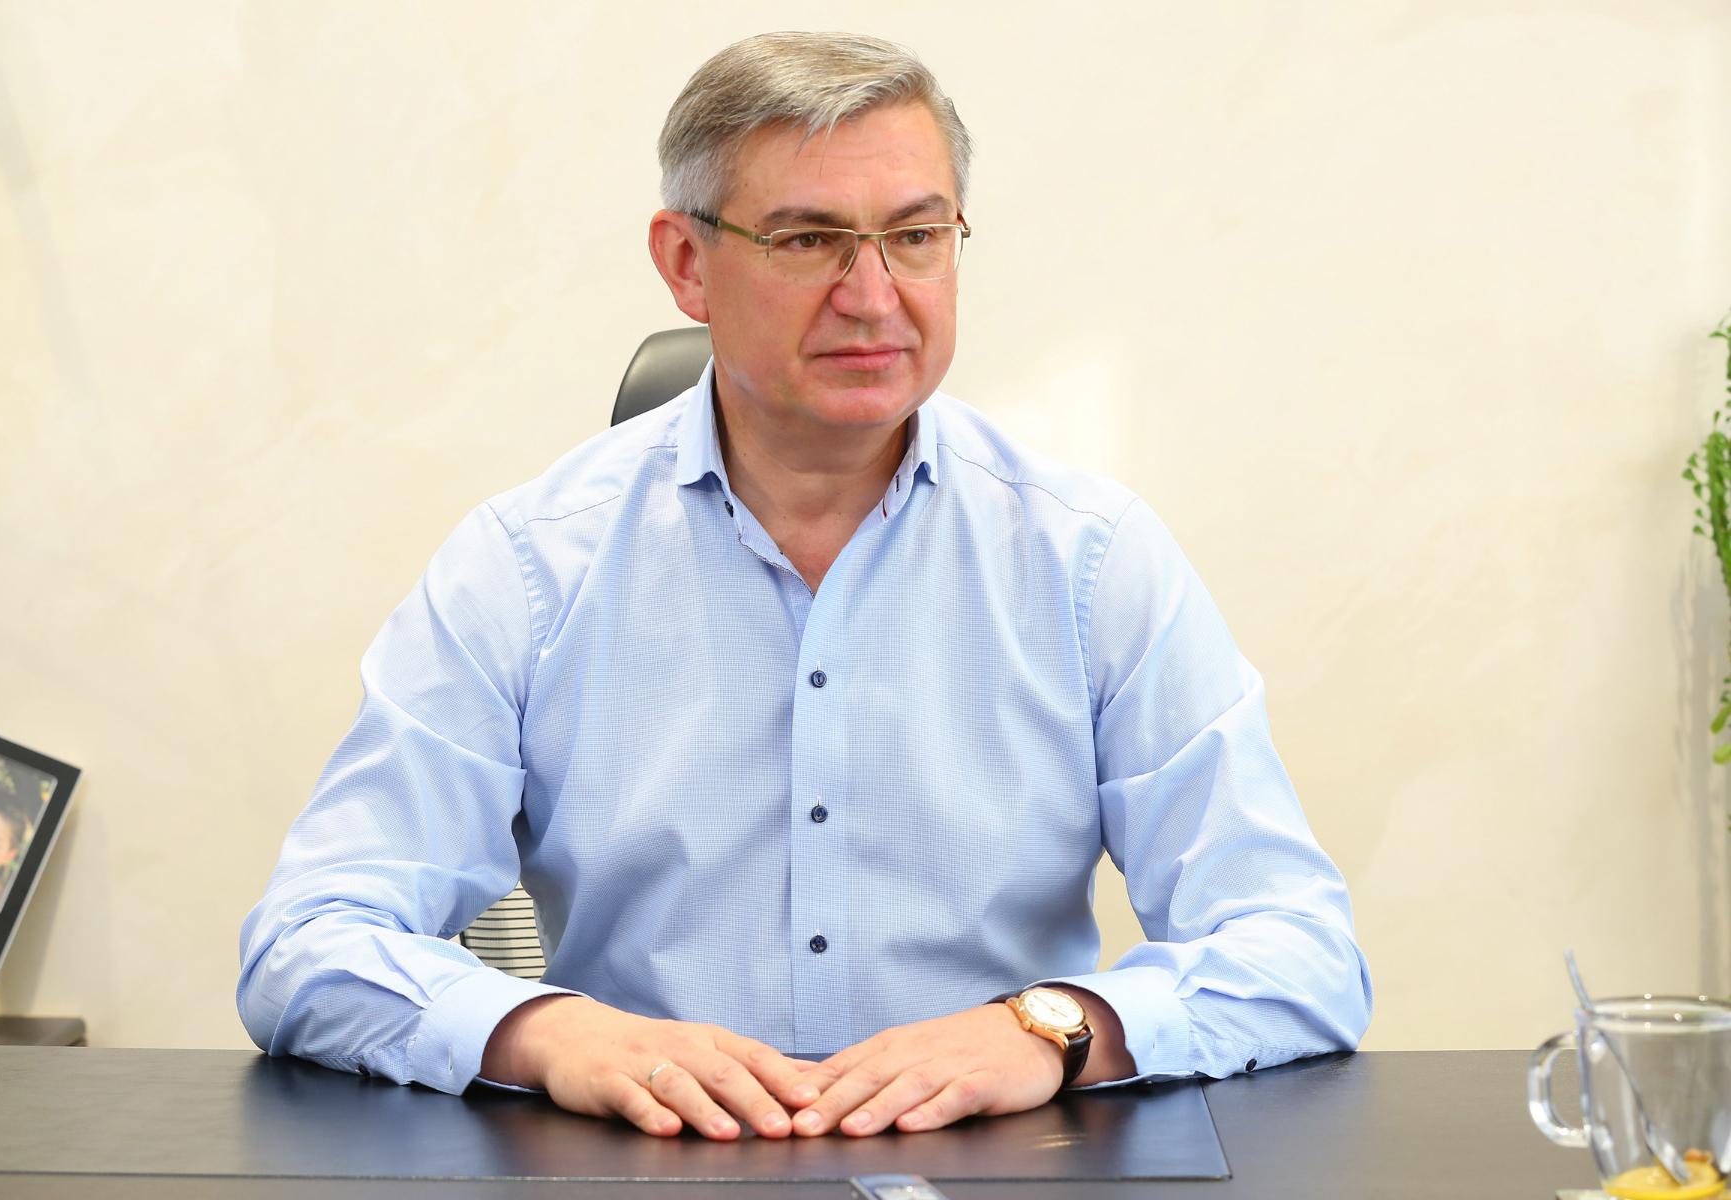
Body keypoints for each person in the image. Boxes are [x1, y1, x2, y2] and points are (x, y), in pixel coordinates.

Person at [238, 31, 1373, 1142]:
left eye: (915, 236)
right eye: (809, 239)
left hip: (1003, 1164)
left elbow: (1300, 950)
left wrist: (1051, 1029)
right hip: (654, 1160)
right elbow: (306, 942)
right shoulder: (528, 566)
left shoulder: (1089, 558)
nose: (873, 296)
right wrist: (550, 1032)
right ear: (687, 264)